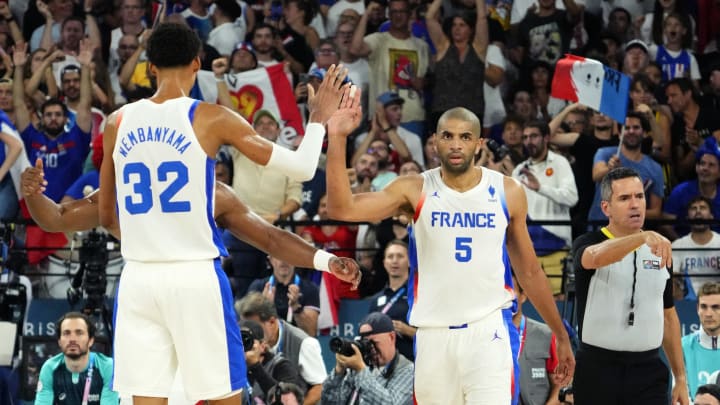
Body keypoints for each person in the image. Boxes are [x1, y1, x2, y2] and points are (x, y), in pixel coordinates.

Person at [96, 22, 357, 404]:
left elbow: (106, 218)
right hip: (192, 276)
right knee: (223, 397)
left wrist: (149, 238)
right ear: (197, 63)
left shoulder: (115, 123)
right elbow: (302, 168)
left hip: (137, 278)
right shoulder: (211, 117)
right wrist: (317, 118)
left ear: (150, 66)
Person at [324, 105, 574, 403]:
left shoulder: (508, 191)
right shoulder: (414, 189)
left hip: (488, 333)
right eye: (448, 136)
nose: (456, 144)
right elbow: (341, 208)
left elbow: (531, 272)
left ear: (479, 143)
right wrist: (337, 136)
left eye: (465, 137)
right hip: (433, 334)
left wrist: (560, 334)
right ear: (435, 141)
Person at [571, 167, 689, 405]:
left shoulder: (660, 249)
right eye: (624, 198)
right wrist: (640, 238)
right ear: (606, 208)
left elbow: (668, 316)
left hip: (648, 372)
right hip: (597, 370)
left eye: (639, 196)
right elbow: (593, 258)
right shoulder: (588, 242)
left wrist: (681, 377)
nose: (635, 204)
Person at [512, 120, 578, 296]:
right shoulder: (519, 170)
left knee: (556, 303)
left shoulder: (559, 163)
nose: (528, 141)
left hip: (556, 247)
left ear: (546, 138)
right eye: (525, 137)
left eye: (533, 136)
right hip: (527, 251)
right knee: (527, 303)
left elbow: (572, 198)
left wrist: (540, 188)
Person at [236, 292, 327, 405]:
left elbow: (320, 387)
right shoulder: (241, 350)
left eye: (254, 326)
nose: (249, 332)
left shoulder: (304, 343)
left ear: (272, 322)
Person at [321, 312, 414, 405]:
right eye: (367, 343)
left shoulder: (408, 370)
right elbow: (329, 402)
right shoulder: (359, 367)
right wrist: (338, 372)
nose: (371, 348)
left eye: (375, 342)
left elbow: (390, 403)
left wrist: (361, 369)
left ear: (391, 337)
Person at [35, 312, 118, 405]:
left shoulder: (107, 367)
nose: (72, 339)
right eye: (66, 333)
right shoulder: (49, 368)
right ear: (59, 341)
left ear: (90, 340)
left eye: (79, 333)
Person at [512, 274, 561, 405]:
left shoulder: (546, 334)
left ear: (523, 296)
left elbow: (559, 385)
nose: (506, 297)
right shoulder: (486, 336)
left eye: (511, 289)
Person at [247, 254, 321, 336]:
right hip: (268, 346)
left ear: (296, 259)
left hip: (298, 346)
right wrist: (264, 309)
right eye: (279, 255)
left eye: (288, 255)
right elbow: (251, 330)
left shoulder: (310, 289)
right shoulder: (258, 287)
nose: (284, 261)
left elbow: (310, 332)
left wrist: (297, 309)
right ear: (270, 259)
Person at [367, 240, 416, 361]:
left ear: (410, 261)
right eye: (390, 256)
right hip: (382, 368)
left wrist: (407, 330)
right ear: (384, 263)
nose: (394, 261)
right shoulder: (376, 300)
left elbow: (433, 338)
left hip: (412, 366)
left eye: (400, 256)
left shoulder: (418, 295)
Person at [240, 319, 305, 402]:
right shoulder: (230, 370)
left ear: (262, 346)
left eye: (246, 341)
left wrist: (256, 366)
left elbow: (286, 401)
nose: (242, 346)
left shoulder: (282, 366)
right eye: (238, 342)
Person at [671, 198, 720, 298]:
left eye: (702, 208)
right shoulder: (677, 245)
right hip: (687, 304)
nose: (698, 211)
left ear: (711, 216)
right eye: (694, 208)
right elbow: (672, 281)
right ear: (688, 217)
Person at [682, 282, 720, 397]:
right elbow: (680, 396)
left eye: (716, 307)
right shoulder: (683, 346)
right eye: (704, 307)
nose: (708, 314)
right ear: (697, 308)